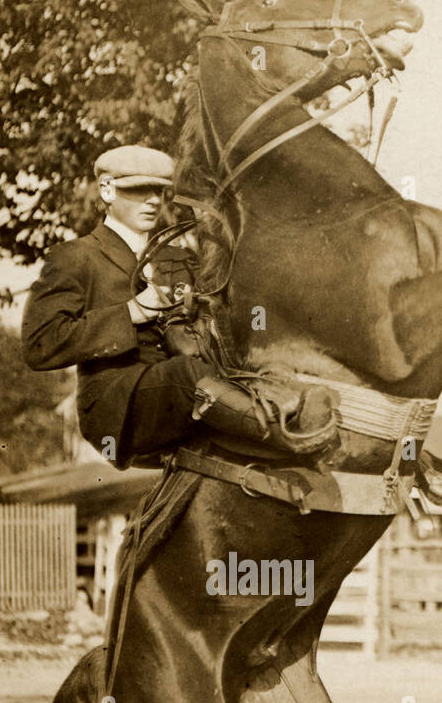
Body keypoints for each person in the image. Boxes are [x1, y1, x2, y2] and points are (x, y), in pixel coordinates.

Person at [21, 145, 334, 468]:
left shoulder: (178, 258)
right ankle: (287, 433)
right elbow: (39, 343)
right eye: (139, 190)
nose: (154, 200)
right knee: (188, 375)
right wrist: (130, 313)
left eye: (159, 190)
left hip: (191, 391)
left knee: (247, 364)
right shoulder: (75, 257)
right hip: (120, 409)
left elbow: (229, 313)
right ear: (107, 190)